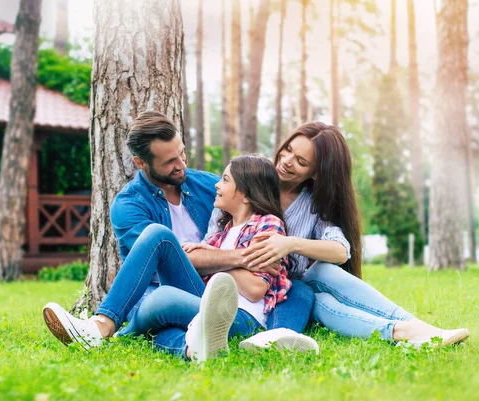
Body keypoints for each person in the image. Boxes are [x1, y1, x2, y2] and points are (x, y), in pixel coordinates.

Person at [42, 111, 316, 360]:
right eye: (169, 161)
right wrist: (244, 258)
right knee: (159, 243)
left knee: (165, 297)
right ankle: (111, 326)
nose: (181, 164)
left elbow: (255, 192)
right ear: (141, 163)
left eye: (181, 154)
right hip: (167, 288)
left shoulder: (209, 187)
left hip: (211, 295)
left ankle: (120, 334)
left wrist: (210, 258)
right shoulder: (129, 205)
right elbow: (176, 258)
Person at [230, 122, 470, 348]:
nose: (286, 161)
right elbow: (211, 241)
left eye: (301, 161)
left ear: (314, 174)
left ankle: (409, 329)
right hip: (257, 290)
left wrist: (290, 244)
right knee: (312, 290)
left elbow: (341, 250)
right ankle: (413, 330)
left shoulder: (312, 205)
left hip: (293, 295)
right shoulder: (248, 182)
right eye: (288, 149)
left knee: (321, 284)